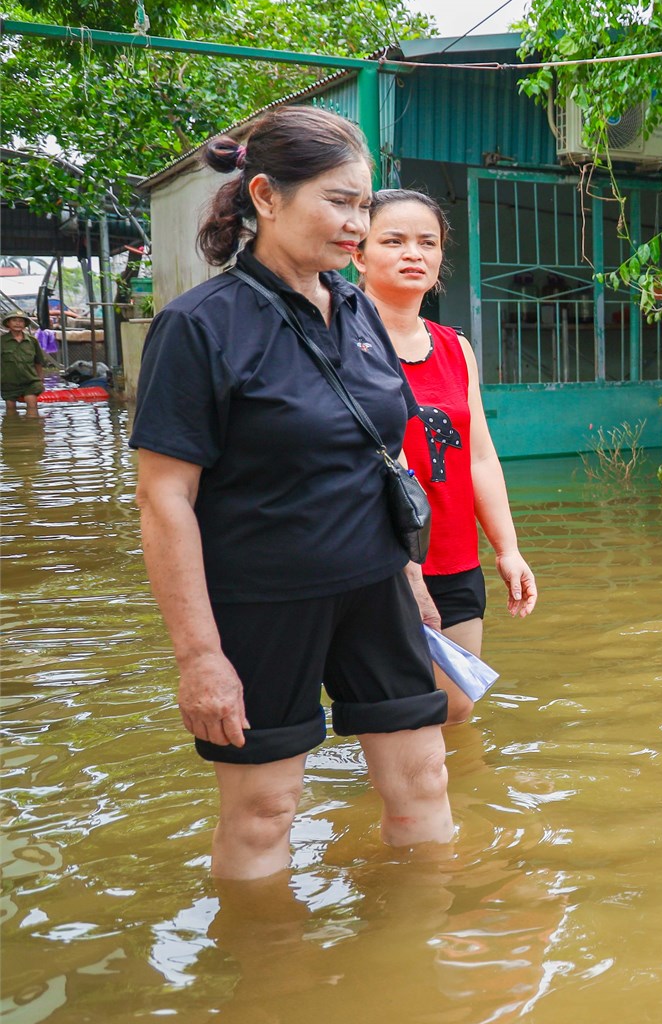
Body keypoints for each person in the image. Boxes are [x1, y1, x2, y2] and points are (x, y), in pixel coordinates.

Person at [131, 107, 454, 881]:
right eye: (339, 201)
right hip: (262, 602)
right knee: (264, 811)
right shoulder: (200, 326)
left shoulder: (357, 312)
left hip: (375, 589)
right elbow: (163, 499)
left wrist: (410, 575)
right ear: (267, 196)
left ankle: (426, 975)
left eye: (363, 204)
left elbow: (378, 453)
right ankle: (270, 987)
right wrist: (200, 656)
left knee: (424, 782)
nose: (357, 224)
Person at [356, 189, 538, 723]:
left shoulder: (455, 346)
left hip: (454, 556)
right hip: (375, 560)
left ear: (441, 258)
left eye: (427, 242)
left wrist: (507, 549)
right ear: (357, 254)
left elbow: (479, 455)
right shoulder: (340, 341)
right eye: (393, 240)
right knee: (394, 716)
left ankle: (457, 808)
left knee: (456, 712)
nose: (413, 253)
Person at [3, 310, 49, 416]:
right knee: (10, 412)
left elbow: (38, 362)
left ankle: (32, 430)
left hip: (30, 381)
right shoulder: (2, 342)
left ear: (24, 324)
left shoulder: (32, 341)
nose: (18, 323)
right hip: (9, 383)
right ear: (8, 324)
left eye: (21, 321)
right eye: (14, 320)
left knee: (32, 410)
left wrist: (41, 380)